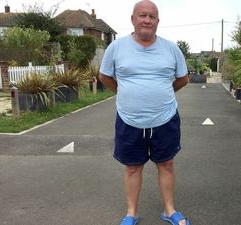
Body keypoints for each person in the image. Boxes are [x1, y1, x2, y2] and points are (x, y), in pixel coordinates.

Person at [99, 1, 190, 225]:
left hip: (165, 119)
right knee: (132, 167)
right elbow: (105, 77)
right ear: (133, 19)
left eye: (151, 16)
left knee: (166, 164)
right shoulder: (116, 47)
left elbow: (183, 78)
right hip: (129, 120)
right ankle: (131, 213)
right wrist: (124, 93)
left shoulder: (171, 49)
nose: (146, 20)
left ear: (158, 22)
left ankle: (169, 210)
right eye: (142, 15)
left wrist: (161, 93)